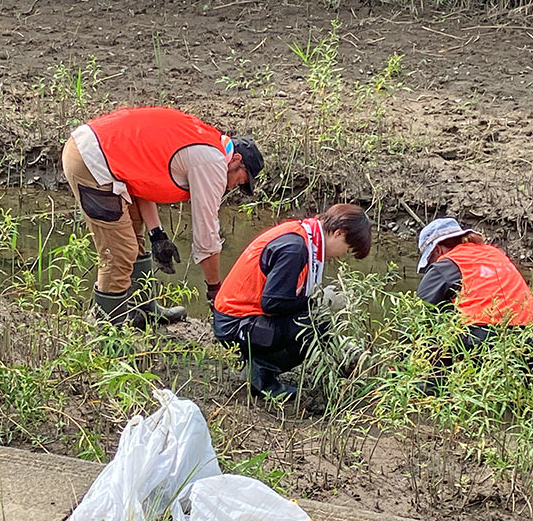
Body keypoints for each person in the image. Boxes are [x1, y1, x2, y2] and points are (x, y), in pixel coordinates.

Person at [61, 106, 264, 327]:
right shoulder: (213, 163)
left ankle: (143, 310)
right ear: (236, 160)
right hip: (92, 160)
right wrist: (215, 290)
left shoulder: (206, 142)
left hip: (97, 149)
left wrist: (157, 234)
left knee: (133, 230)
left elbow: (143, 179)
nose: (234, 186)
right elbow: (207, 236)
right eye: (240, 181)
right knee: (119, 252)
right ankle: (108, 333)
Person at [212, 204, 372, 400]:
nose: (341, 257)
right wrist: (317, 302)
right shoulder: (295, 249)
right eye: (346, 250)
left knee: (316, 318)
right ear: (338, 233)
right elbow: (272, 303)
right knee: (317, 325)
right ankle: (261, 376)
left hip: (237, 318)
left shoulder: (303, 234)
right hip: (235, 325)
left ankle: (259, 365)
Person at [416, 217, 533, 350]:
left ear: (437, 250)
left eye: (430, 260)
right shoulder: (494, 253)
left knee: (434, 321)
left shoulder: (445, 264)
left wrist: (398, 364)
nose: (432, 265)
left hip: (486, 340)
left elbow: (418, 316)